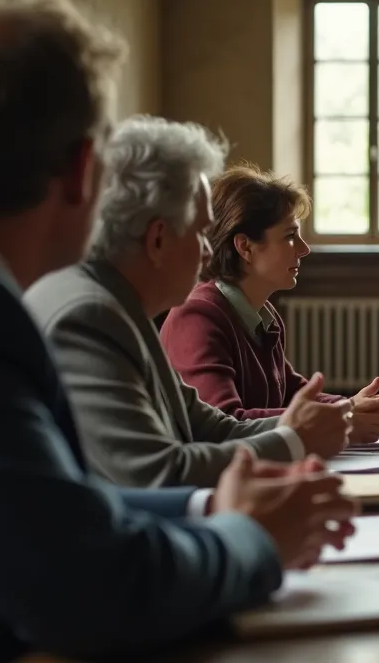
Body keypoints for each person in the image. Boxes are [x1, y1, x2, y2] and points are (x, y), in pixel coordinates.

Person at [0, 0, 356, 659]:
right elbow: (90, 589)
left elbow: (59, 511)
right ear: (84, 170)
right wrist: (250, 540)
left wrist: (209, 511)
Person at [25, 117, 355, 488]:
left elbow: (209, 426)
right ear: (158, 240)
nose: (208, 251)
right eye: (201, 232)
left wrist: (312, 423)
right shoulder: (89, 316)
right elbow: (158, 473)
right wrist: (294, 439)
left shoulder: (122, 307)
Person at [160, 163, 379, 439]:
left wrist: (355, 406)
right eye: (290, 236)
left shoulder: (264, 314)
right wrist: (343, 416)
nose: (304, 249)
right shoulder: (198, 317)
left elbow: (290, 392)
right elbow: (224, 423)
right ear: (245, 247)